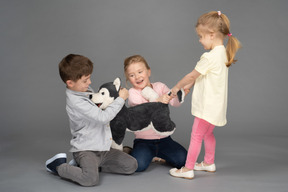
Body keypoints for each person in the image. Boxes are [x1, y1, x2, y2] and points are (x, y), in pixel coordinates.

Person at [45, 54, 137, 186]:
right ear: (70, 83)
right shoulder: (76, 101)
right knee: (90, 179)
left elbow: (102, 105)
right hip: (86, 150)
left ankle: (87, 167)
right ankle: (59, 166)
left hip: (103, 148)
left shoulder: (85, 91)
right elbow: (103, 117)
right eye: (85, 80)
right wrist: (121, 99)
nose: (90, 82)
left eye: (89, 78)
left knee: (132, 165)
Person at [169, 11, 241, 179]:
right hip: (216, 106)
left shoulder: (209, 57)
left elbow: (192, 75)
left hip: (206, 106)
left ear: (211, 35)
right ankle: (209, 163)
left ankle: (187, 169)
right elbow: (201, 76)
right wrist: (188, 87)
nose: (200, 40)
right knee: (208, 134)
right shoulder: (223, 53)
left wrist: (176, 87)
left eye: (201, 36)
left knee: (196, 136)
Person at [123, 55, 188, 172]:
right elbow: (144, 110)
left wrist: (179, 95)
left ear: (148, 72)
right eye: (132, 75)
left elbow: (174, 102)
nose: (137, 77)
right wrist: (159, 100)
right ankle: (131, 151)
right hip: (143, 141)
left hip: (164, 139)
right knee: (138, 165)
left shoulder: (160, 86)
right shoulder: (132, 93)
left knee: (183, 160)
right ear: (128, 79)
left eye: (140, 72)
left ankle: (160, 155)